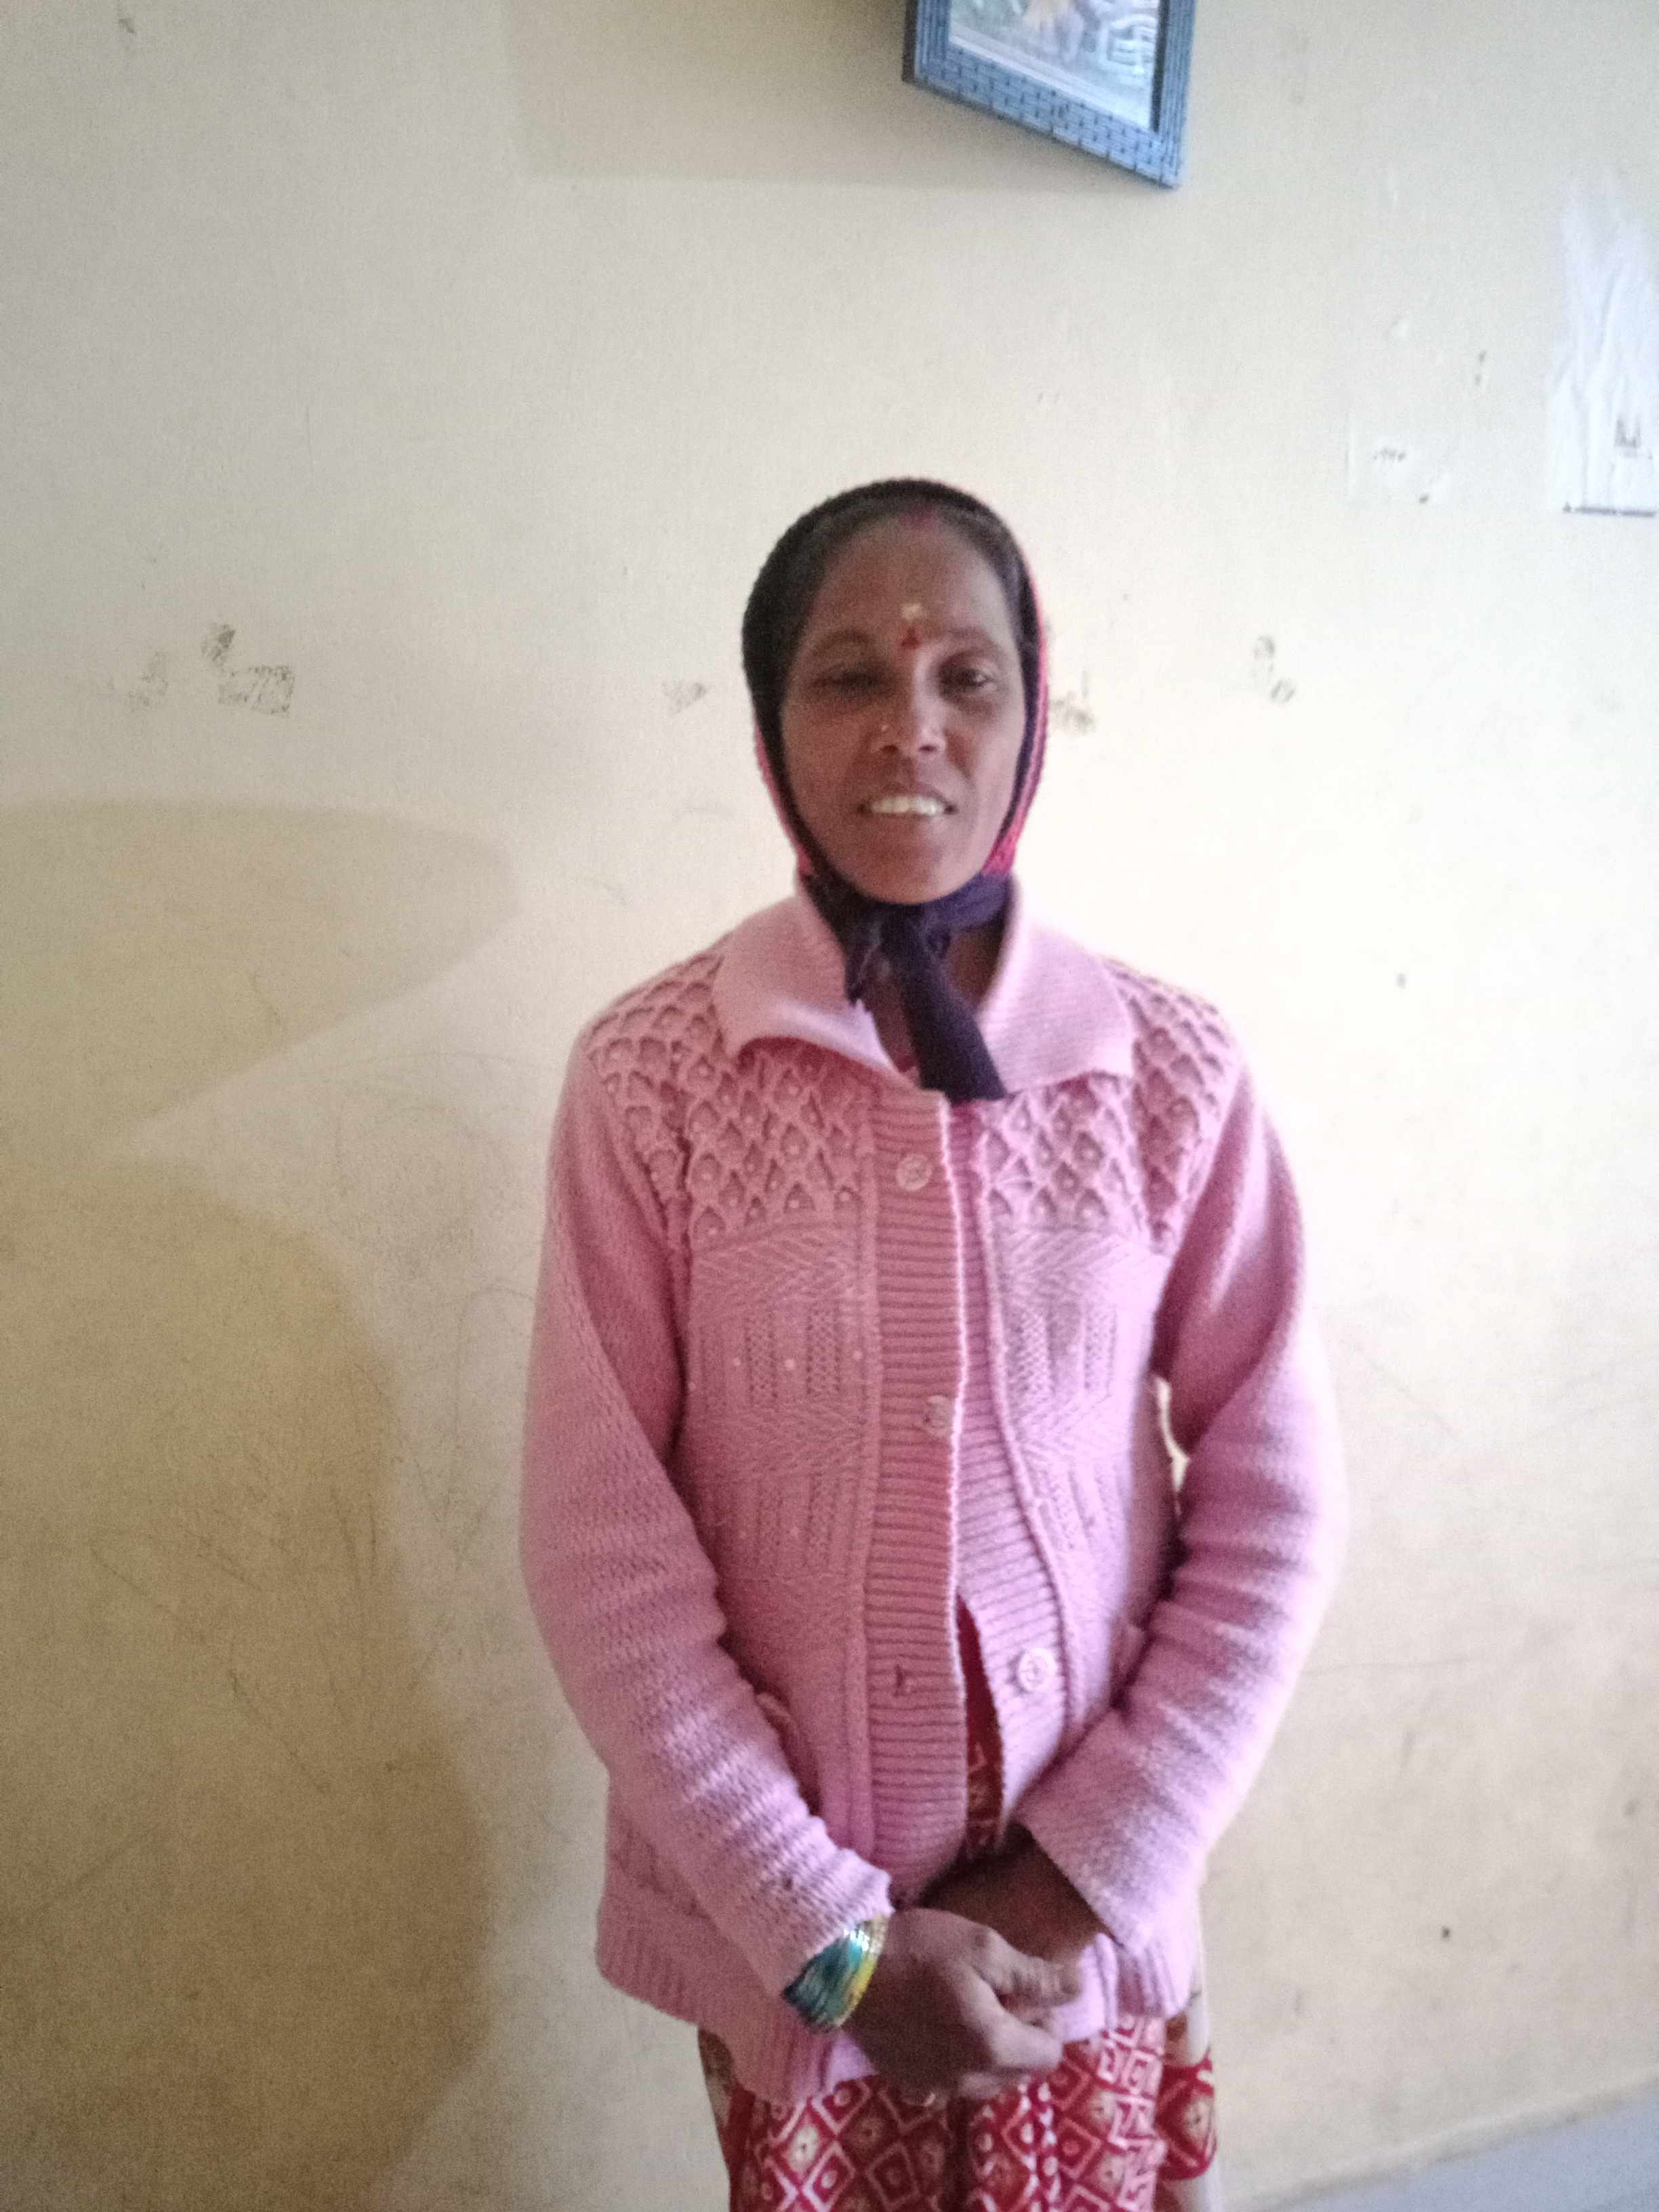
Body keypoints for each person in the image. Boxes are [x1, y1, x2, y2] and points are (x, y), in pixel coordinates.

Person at [521, 480, 1346, 2211]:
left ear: (1033, 720)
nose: (912, 726)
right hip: (799, 1946)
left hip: (1091, 1935)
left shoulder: (1168, 1073)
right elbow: (603, 1554)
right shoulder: (656, 1081)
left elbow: (1276, 1508)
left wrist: (1072, 1882)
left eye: (969, 677)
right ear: (770, 724)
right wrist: (831, 1943)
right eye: (848, 677)